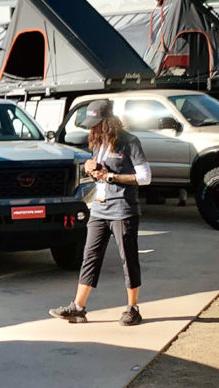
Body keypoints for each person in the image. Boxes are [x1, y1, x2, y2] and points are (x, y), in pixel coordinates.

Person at [48, 98, 152, 326]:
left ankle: (133, 308)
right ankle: (78, 308)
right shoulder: (98, 142)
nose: (92, 128)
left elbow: (145, 177)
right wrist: (90, 167)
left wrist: (111, 176)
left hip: (123, 210)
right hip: (99, 209)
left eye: (97, 123)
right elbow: (98, 166)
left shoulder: (129, 142)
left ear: (109, 121)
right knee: (90, 258)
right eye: (91, 124)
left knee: (129, 259)